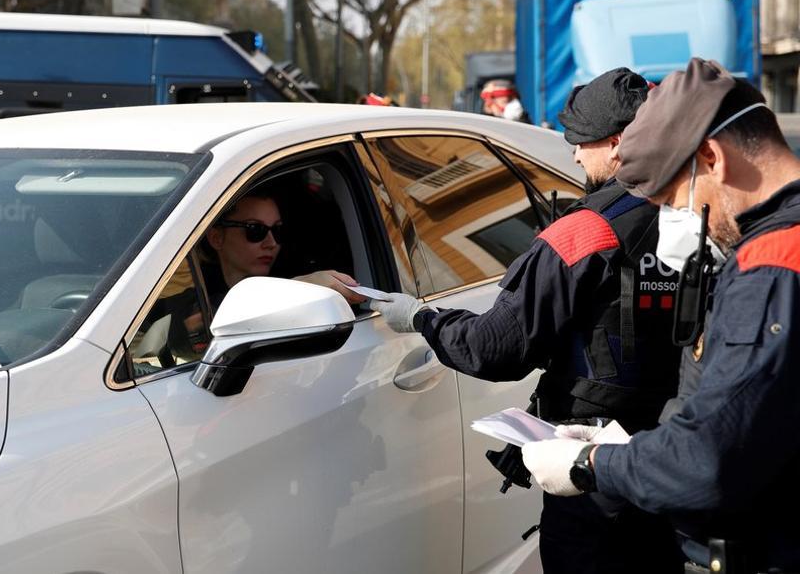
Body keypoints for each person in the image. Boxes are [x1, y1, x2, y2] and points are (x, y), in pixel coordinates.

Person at [371, 68, 683, 573]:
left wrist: (421, 319)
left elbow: (495, 348)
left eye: (581, 140)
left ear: (619, 141)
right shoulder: (694, 216)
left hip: (592, 471)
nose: (575, 155)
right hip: (667, 455)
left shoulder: (586, 232)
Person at [523, 58, 800, 572]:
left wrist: (589, 465)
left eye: (674, 199)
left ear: (711, 158)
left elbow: (709, 459)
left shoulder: (772, 265)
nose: (678, 220)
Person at [203, 191, 366, 308]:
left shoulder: (311, 279)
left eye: (277, 230)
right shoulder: (195, 297)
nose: (271, 243)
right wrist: (295, 290)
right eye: (255, 230)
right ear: (216, 238)